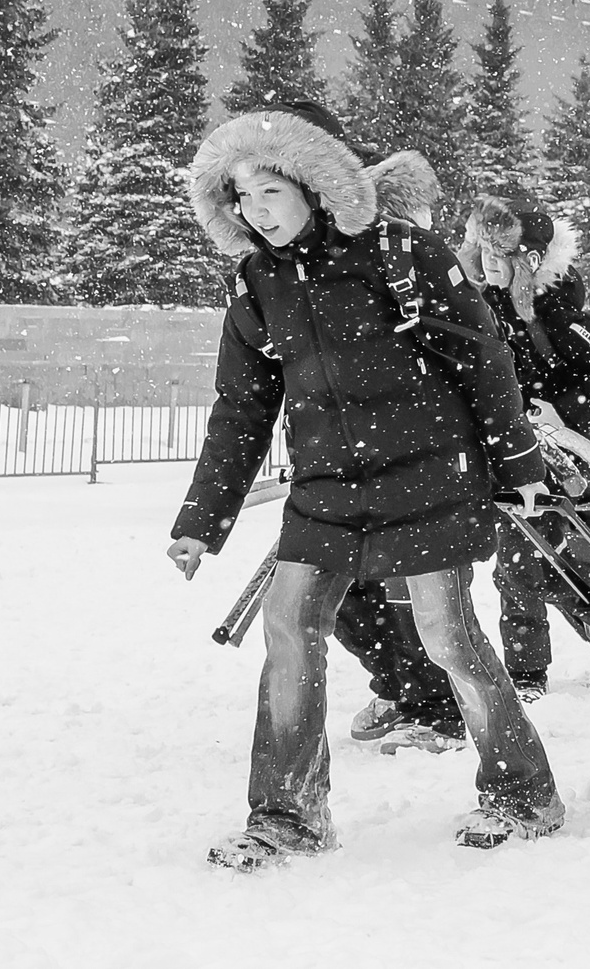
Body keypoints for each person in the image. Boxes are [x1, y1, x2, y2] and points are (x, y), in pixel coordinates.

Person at [164, 101, 561, 869]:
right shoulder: (255, 281)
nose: (255, 212)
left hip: (427, 475)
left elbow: (484, 359)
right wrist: (199, 519)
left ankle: (523, 796)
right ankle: (289, 817)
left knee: (447, 636)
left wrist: (518, 467)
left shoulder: (402, 250)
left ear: (313, 184)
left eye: (268, 194)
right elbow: (242, 408)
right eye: (241, 198)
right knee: (288, 628)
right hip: (328, 491)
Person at [461, 185, 590, 699]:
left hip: (568, 466)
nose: (488, 263)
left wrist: (558, 412)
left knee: (577, 564)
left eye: (499, 253)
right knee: (516, 566)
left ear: (530, 261)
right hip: (511, 460)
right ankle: (527, 673)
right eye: (482, 251)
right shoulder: (481, 307)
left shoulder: (559, 316)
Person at [335, 148, 467, 755]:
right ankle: (405, 686)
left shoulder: (415, 267)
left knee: (419, 595)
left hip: (418, 459)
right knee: (342, 592)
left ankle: (441, 706)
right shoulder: (332, 269)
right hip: (349, 461)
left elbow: (470, 356)